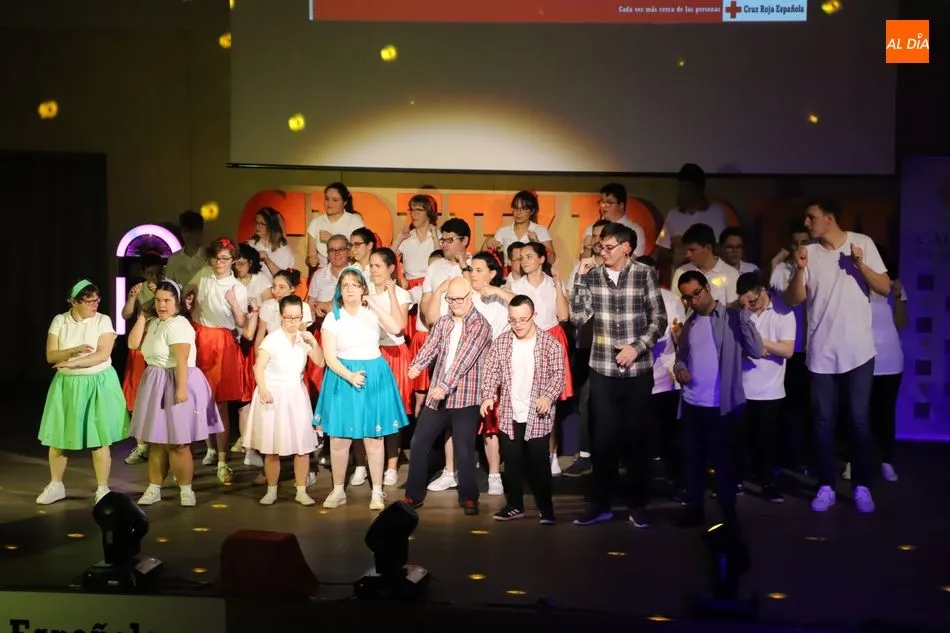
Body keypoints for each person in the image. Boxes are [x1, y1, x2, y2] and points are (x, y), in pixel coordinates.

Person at [783, 197, 891, 514]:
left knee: (858, 421)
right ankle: (827, 486)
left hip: (858, 351)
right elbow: (793, 299)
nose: (806, 223)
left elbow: (885, 287)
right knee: (822, 422)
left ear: (829, 218)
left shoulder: (862, 243)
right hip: (821, 352)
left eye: (811, 217)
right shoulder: (809, 252)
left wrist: (859, 265)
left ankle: (861, 486)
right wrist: (799, 269)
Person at [569, 222, 667, 527]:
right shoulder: (593, 275)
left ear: (627, 247)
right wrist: (580, 278)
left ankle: (638, 505)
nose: (603, 252)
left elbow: (659, 319)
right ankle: (601, 504)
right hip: (602, 368)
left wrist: (637, 348)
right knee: (604, 440)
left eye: (609, 247)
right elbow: (577, 317)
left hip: (637, 369)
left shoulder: (644, 274)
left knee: (636, 438)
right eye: (601, 246)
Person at [673, 270, 764, 526]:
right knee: (693, 462)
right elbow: (681, 356)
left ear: (708, 288)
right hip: (692, 404)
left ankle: (728, 517)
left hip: (720, 406)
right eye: (687, 297)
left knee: (724, 465)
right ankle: (695, 510)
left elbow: (756, 350)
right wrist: (679, 368)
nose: (693, 301)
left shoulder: (731, 317)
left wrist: (744, 316)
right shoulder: (690, 322)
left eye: (696, 294)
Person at [314, 268, 409, 511]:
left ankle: (377, 491)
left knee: (374, 439)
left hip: (373, 375)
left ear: (363, 288)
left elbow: (397, 327)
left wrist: (374, 303)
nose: (349, 289)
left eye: (355, 284)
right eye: (345, 285)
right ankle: (338, 490)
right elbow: (329, 357)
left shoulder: (371, 311)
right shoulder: (333, 317)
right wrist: (349, 376)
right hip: (343, 376)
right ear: (339, 289)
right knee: (339, 438)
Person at [127, 280, 222, 507]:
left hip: (176, 379)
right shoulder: (154, 322)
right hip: (156, 380)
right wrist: (142, 316)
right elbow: (133, 343)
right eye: (158, 300)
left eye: (167, 300)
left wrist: (180, 389)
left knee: (178, 442)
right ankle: (154, 488)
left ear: (177, 302)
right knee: (157, 441)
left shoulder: (179, 324)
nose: (162, 305)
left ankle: (186, 490)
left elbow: (181, 358)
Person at [404, 277, 493, 516]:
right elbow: (430, 346)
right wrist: (417, 365)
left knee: (464, 448)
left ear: (470, 297)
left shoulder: (480, 325)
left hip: (466, 397)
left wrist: (444, 386)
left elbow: (464, 360)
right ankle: (413, 495)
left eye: (459, 299)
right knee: (418, 443)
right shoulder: (444, 322)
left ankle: (469, 497)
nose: (454, 303)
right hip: (438, 397)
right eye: (450, 299)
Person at [37, 280, 130, 505]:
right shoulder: (60, 321)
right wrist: (74, 351)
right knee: (59, 436)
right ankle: (56, 484)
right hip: (67, 384)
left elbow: (102, 354)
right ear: (74, 302)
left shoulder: (103, 320)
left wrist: (73, 363)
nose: (95, 304)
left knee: (99, 438)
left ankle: (102, 489)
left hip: (98, 382)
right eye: (89, 301)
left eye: (97, 300)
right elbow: (51, 355)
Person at [480, 295, 565, 524]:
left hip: (538, 414)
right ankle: (514, 505)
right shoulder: (502, 342)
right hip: (510, 412)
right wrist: (488, 396)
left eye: (522, 320)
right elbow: (491, 372)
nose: (517, 325)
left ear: (533, 316)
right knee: (512, 461)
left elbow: (559, 376)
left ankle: (546, 508)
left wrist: (547, 396)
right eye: (513, 320)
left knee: (539, 463)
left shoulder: (549, 344)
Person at [245, 295, 325, 506]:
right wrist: (263, 389)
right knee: (272, 447)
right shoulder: (272, 339)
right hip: (273, 394)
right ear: (281, 316)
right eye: (289, 317)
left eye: (297, 318)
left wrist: (314, 343)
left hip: (295, 394)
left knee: (302, 446)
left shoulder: (303, 338)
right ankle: (271, 490)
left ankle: (301, 490)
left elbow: (320, 361)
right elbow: (258, 367)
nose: (293, 322)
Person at [735, 272, 796, 503]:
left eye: (752, 301)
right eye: (745, 302)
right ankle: (736, 480)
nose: (749, 306)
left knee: (766, 442)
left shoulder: (783, 312)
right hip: (741, 388)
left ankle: (768, 484)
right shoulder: (740, 312)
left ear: (762, 291)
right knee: (739, 440)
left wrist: (758, 342)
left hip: (770, 390)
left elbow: (788, 350)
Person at [655, 163, 729, 263]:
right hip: (681, 270)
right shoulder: (673, 215)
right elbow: (661, 251)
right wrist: (675, 253)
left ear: (699, 189)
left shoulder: (716, 213)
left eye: (688, 188)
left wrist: (688, 244)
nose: (683, 192)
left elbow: (723, 250)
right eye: (681, 188)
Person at [672, 223, 740, 306]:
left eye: (692, 250)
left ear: (708, 248)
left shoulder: (731, 274)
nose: (687, 255)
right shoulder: (681, 272)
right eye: (687, 250)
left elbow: (732, 310)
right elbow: (675, 307)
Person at [483, 190, 557, 264]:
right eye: (515, 208)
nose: (518, 212)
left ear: (532, 211)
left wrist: (537, 243)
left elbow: (551, 260)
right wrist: (488, 241)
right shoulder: (503, 231)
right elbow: (483, 258)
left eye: (523, 209)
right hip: (508, 271)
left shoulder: (540, 230)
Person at [306, 183, 364, 269]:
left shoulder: (355, 220)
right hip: (324, 271)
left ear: (345, 202)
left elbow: (360, 253)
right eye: (327, 199)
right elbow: (309, 257)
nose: (329, 203)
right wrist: (312, 260)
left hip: (349, 270)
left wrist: (332, 239)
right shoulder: (316, 222)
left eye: (335, 200)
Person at [583, 183, 645, 258]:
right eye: (602, 202)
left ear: (621, 205)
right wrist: (587, 249)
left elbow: (635, 259)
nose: (604, 206)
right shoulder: (591, 228)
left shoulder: (635, 230)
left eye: (609, 203)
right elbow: (582, 258)